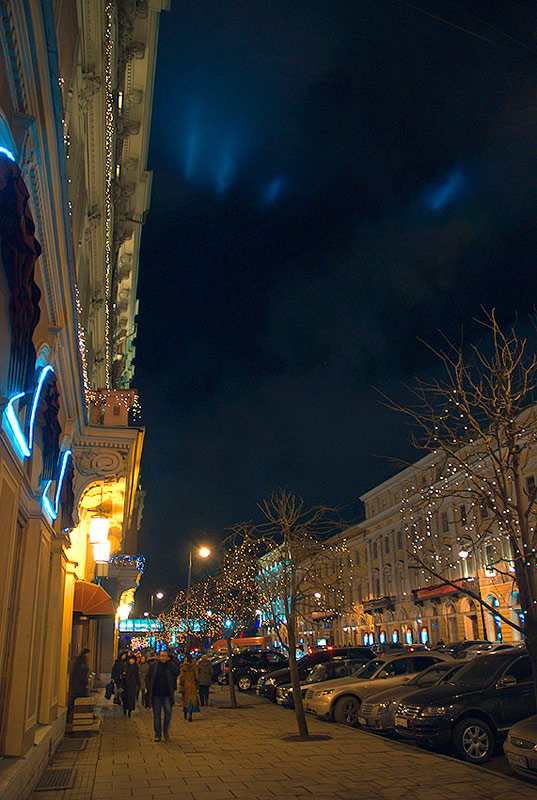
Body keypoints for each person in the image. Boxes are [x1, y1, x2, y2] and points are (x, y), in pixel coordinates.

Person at [147, 650, 180, 741]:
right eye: (161, 656)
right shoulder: (154, 666)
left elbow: (177, 672)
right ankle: (157, 734)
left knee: (168, 714)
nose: (163, 657)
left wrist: (170, 663)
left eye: (165, 656)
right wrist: (149, 687)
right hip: (156, 694)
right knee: (156, 715)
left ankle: (165, 731)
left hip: (167, 694)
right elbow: (148, 677)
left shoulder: (170, 666)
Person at [180, 653, 200, 722]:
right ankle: (190, 715)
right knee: (192, 699)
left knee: (185, 700)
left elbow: (182, 677)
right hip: (192, 685)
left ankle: (185, 712)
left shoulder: (183, 667)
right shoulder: (194, 666)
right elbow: (197, 676)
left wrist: (181, 684)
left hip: (186, 685)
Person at [120, 653, 141, 717]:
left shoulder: (135, 667)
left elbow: (137, 676)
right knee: (125, 697)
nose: (132, 661)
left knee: (131, 698)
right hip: (125, 684)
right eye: (131, 659)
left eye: (133, 660)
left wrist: (138, 684)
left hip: (133, 685)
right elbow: (121, 674)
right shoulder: (125, 665)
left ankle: (130, 711)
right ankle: (124, 708)